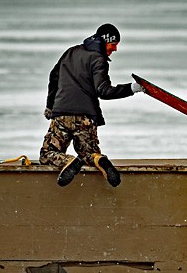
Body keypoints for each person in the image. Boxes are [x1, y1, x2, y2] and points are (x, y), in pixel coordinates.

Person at [40, 23, 145, 187]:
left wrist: (50, 105)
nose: (115, 49)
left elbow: (54, 76)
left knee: (48, 154)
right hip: (85, 118)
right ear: (105, 41)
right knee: (90, 155)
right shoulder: (98, 59)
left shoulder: (71, 52)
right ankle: (99, 160)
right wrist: (132, 88)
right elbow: (103, 91)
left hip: (61, 115)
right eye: (114, 44)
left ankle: (69, 161)